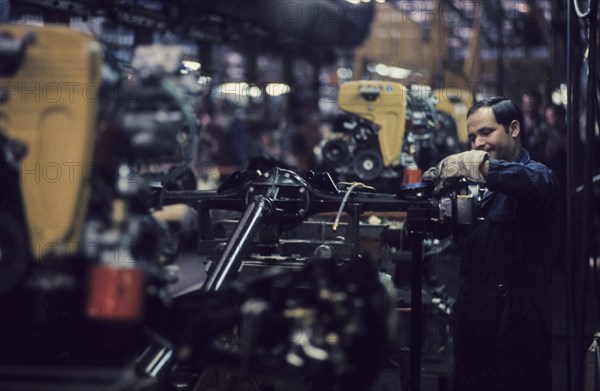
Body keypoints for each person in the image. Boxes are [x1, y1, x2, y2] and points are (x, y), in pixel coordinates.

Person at [423, 97, 561, 391]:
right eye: (472, 137)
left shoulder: (538, 176)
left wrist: (478, 167)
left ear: (513, 129)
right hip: (474, 316)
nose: (477, 143)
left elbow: (526, 182)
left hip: (517, 319)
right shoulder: (480, 190)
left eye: (486, 132)